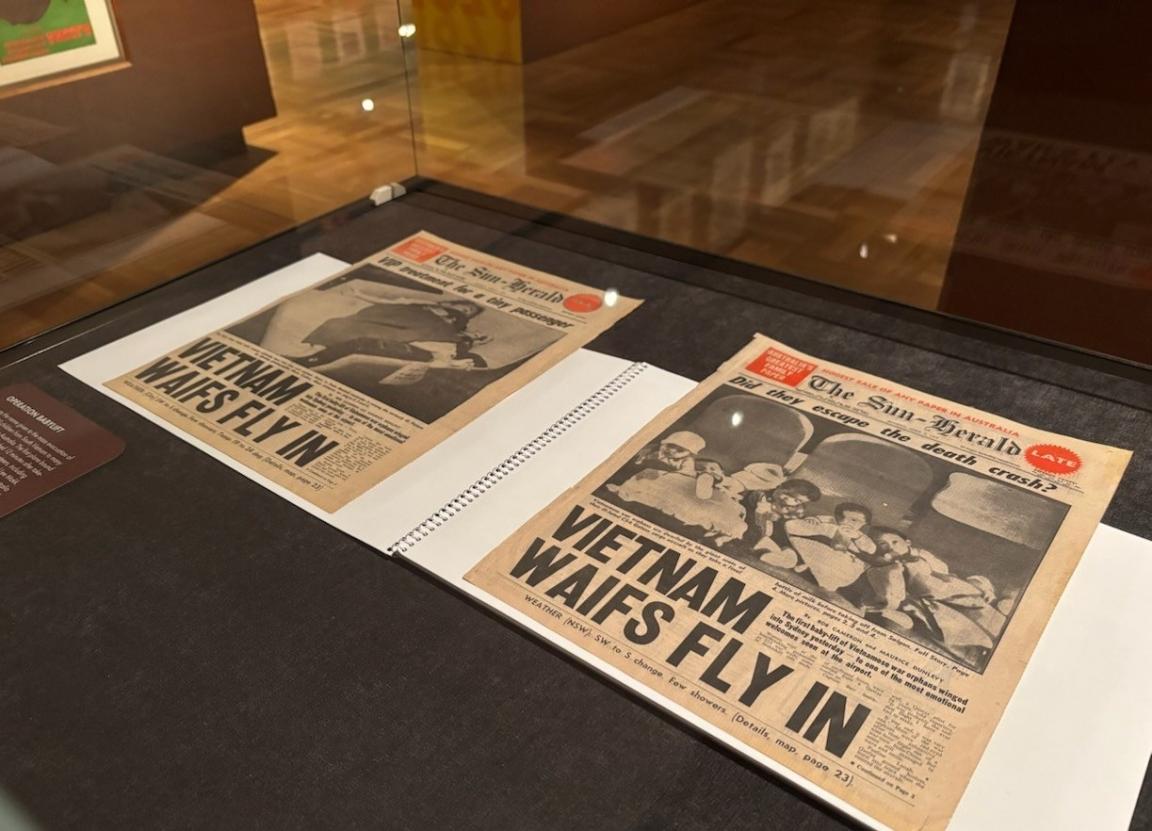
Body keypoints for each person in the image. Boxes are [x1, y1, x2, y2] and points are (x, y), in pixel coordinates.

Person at [746, 478, 821, 561]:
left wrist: (809, 519)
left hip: (777, 529)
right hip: (756, 524)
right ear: (780, 486)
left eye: (796, 500)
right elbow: (750, 505)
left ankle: (782, 557)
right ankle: (760, 549)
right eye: (786, 493)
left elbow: (798, 519)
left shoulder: (795, 508)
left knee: (788, 547)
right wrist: (764, 511)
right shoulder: (762, 495)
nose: (788, 499)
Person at [630, 431, 705, 474]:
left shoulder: (687, 460)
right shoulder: (655, 450)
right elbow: (639, 459)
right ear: (664, 443)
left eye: (680, 450)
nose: (672, 451)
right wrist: (641, 459)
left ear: (689, 454)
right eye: (670, 445)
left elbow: (687, 472)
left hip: (669, 479)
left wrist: (677, 474)